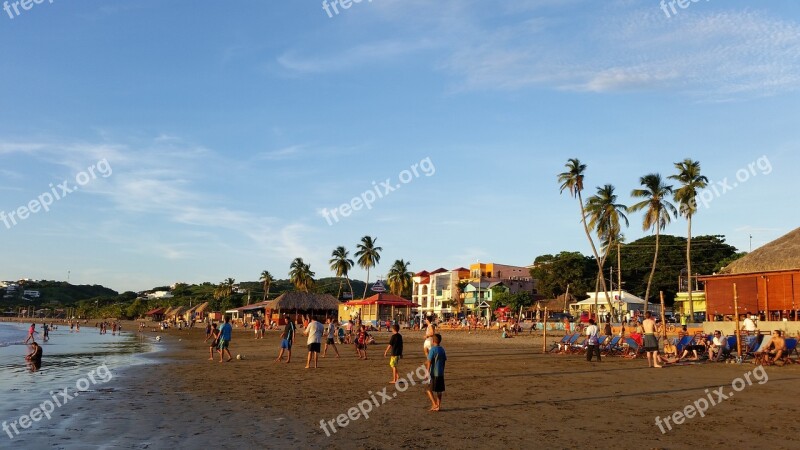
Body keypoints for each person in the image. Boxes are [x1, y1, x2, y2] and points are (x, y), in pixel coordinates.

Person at [425, 333, 446, 412]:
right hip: (441, 373)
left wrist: (427, 371)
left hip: (434, 373)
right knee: (439, 391)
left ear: (433, 341)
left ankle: (434, 404)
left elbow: (429, 361)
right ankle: (438, 406)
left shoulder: (433, 350)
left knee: (428, 389)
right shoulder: (442, 349)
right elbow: (444, 361)